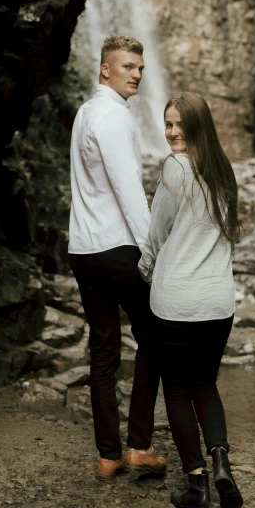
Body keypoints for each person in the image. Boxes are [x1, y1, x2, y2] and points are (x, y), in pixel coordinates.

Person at [138, 92, 243, 508]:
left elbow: (157, 231)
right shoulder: (224, 170)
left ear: (200, 126)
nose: (173, 132)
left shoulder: (175, 167)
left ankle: (197, 485)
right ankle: (222, 465)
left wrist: (145, 270)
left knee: (178, 390)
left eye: (181, 124)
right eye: (167, 124)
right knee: (206, 384)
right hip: (218, 303)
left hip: (177, 301)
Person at [68, 35, 166, 481]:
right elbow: (130, 192)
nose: (137, 74)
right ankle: (138, 446)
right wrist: (154, 252)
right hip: (117, 248)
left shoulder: (85, 113)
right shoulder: (113, 117)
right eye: (128, 66)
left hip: (84, 251)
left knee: (104, 349)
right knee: (156, 336)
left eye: (141, 68)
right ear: (105, 69)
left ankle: (108, 454)